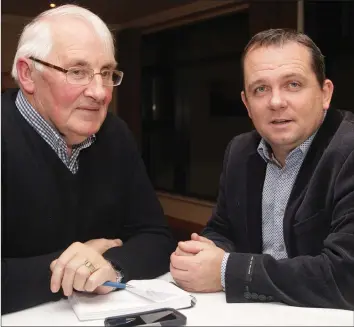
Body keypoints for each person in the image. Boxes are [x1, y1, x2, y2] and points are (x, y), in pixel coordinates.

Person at [2, 4, 175, 314]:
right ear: (28, 74)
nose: (99, 92)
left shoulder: (115, 133)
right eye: (77, 71)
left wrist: (110, 264)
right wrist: (79, 267)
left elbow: (158, 238)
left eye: (106, 73)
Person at [170, 28, 354, 310]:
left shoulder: (349, 151)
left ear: (325, 93)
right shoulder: (240, 151)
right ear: (247, 104)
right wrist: (200, 252)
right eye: (261, 89)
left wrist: (225, 270)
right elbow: (223, 229)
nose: (276, 102)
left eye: (293, 84)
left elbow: (346, 275)